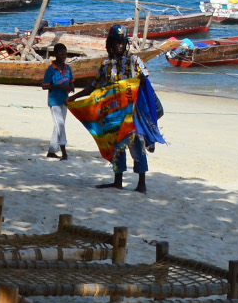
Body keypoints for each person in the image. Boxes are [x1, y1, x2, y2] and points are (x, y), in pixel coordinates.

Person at [71, 26, 153, 193]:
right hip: (113, 113)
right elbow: (95, 86)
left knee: (136, 145)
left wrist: (138, 81)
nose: (119, 45)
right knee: (116, 146)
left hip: (132, 113)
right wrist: (74, 98)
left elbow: (145, 80)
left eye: (122, 42)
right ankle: (118, 181)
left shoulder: (134, 60)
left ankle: (141, 184)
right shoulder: (105, 65)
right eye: (116, 42)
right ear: (110, 44)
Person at [40, 45, 73, 160]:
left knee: (58, 126)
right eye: (61, 54)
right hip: (54, 101)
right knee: (60, 125)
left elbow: (72, 82)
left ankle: (52, 151)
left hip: (65, 100)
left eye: (65, 54)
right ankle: (64, 150)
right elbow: (44, 86)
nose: (63, 56)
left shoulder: (68, 68)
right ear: (55, 54)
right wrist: (59, 86)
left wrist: (70, 87)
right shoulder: (51, 69)